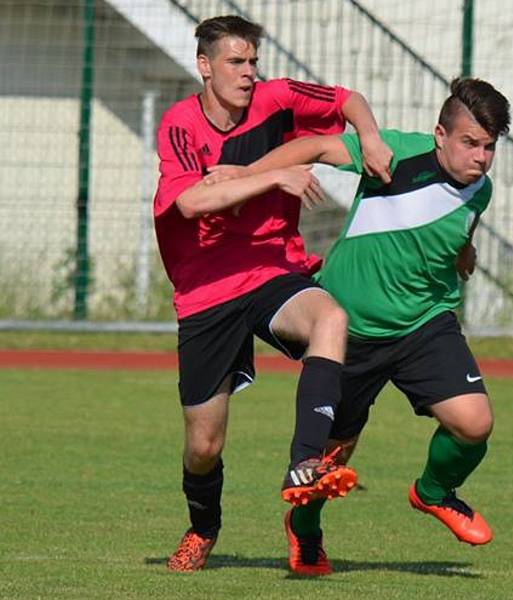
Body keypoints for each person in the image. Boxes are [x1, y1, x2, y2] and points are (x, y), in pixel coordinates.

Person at [209, 77, 511, 576]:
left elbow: (459, 224)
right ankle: (304, 530)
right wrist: (246, 173)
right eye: (469, 143)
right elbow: (316, 146)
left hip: (425, 322)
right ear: (440, 135)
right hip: (349, 330)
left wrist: (464, 251)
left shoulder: (482, 189)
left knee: (475, 424)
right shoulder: (393, 154)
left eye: (489, 147)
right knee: (330, 458)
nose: (479, 156)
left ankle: (434, 491)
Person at [153, 15, 392, 573]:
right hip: (206, 288)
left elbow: (348, 100)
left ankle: (306, 462)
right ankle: (202, 528)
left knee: (330, 318)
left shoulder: (279, 98)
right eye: (235, 62)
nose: (248, 72)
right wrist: (274, 176)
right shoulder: (180, 124)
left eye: (253, 61)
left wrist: (371, 136)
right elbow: (190, 204)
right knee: (204, 445)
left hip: (271, 269)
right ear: (205, 67)